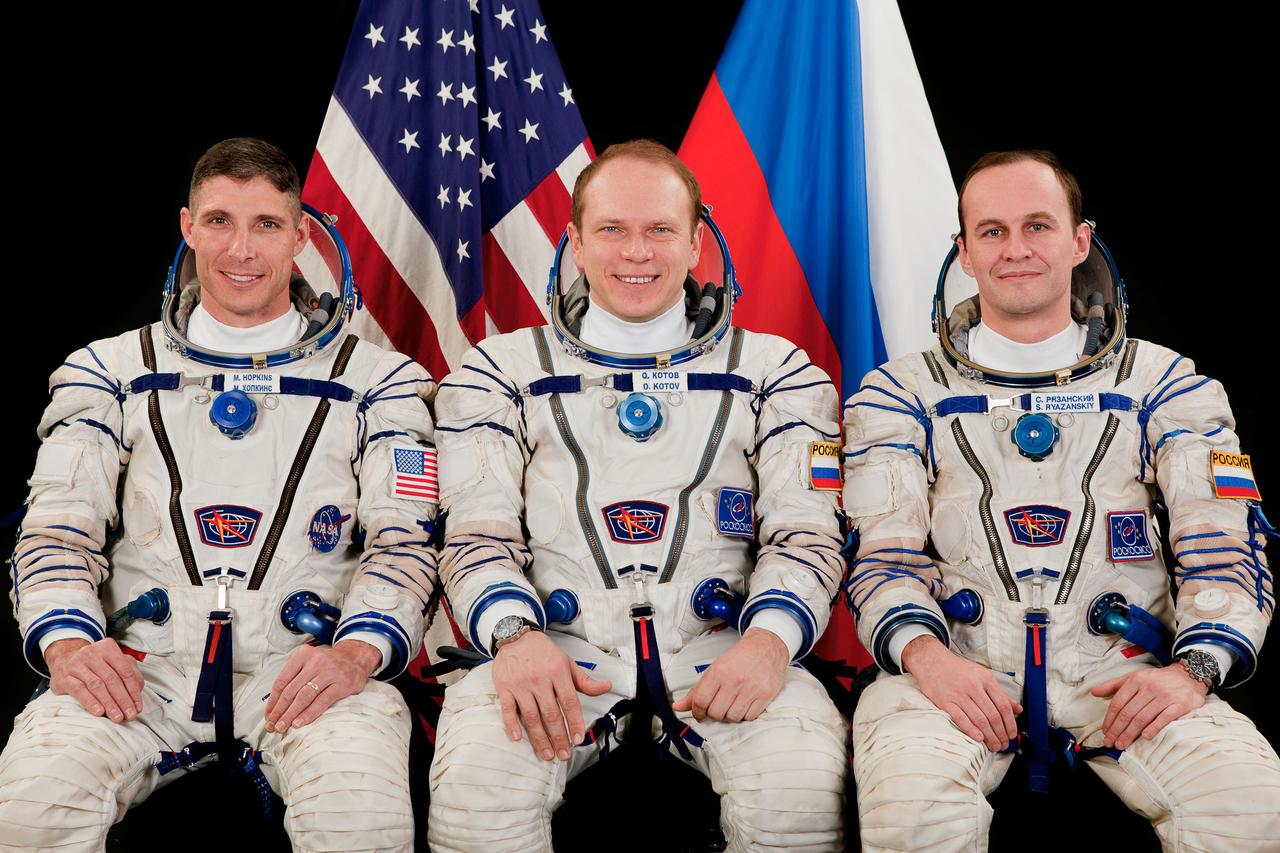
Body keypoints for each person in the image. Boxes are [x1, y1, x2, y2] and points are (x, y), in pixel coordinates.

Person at [0, 138, 438, 852]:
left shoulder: (381, 381)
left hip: (308, 668)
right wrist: (72, 644)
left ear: (302, 235)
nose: (242, 248)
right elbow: (55, 532)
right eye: (220, 221)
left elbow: (407, 541)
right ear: (187, 226)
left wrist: (355, 653)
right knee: (27, 813)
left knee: (363, 824)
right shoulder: (109, 370)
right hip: (142, 668)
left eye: (267, 224)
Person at [843, 149, 1280, 850]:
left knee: (1248, 796)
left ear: (1080, 240)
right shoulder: (901, 392)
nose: (1015, 249)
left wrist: (1193, 670)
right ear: (964, 251)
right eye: (991, 231)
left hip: (1125, 676)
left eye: (1038, 226)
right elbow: (882, 558)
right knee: (909, 804)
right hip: (955, 673)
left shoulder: (1166, 384)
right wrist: (926, 656)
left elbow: (1222, 545)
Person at [426, 140, 849, 851]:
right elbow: (476, 535)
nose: (637, 253)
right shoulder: (499, 370)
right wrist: (513, 634)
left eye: (659, 230)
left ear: (695, 243)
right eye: (613, 230)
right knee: (476, 789)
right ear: (577, 245)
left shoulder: (778, 371)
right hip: (554, 649)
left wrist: (770, 641)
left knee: (798, 788)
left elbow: (806, 534)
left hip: (727, 649)